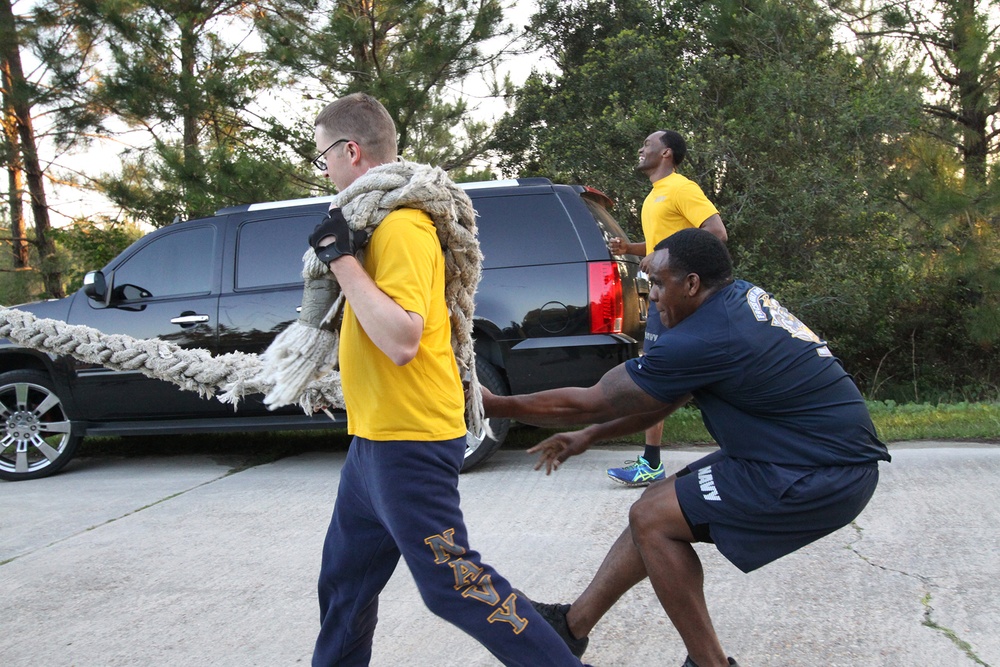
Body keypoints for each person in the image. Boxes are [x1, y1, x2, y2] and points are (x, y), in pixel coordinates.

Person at [482, 228, 891, 667]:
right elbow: (665, 397)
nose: (652, 296)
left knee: (653, 518)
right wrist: (588, 438)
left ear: (692, 284)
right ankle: (570, 628)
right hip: (797, 452)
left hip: (818, 470)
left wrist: (493, 404)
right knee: (654, 507)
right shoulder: (733, 300)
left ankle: (708, 664)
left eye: (658, 283)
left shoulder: (707, 336)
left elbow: (590, 400)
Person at [308, 93, 588, 667]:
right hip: (374, 442)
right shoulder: (374, 223)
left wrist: (339, 259)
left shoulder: (404, 227)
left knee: (457, 587)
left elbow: (403, 339)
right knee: (344, 585)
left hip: (408, 441)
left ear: (351, 151)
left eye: (324, 157)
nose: (326, 171)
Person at [606, 129, 728, 487]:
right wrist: (631, 249)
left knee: (664, 375)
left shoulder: (681, 188)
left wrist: (676, 268)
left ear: (667, 153)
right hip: (665, 298)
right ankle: (652, 462)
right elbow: (663, 245)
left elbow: (716, 232)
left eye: (648, 144)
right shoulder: (655, 196)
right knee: (662, 375)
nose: (642, 148)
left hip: (683, 301)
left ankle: (656, 463)